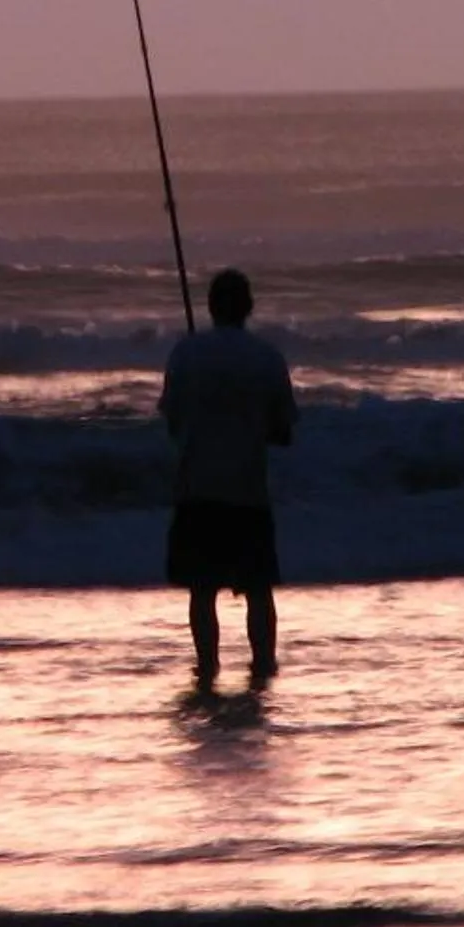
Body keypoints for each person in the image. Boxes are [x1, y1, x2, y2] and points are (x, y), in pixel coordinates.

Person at [161, 267, 298, 691]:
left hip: (197, 488)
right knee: (257, 588)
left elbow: (172, 420)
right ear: (249, 307)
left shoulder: (186, 354)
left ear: (210, 307)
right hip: (248, 490)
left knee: (202, 590)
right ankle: (263, 668)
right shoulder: (267, 358)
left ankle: (207, 669)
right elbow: (283, 431)